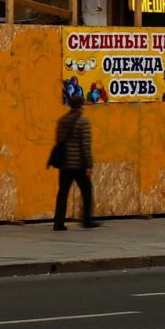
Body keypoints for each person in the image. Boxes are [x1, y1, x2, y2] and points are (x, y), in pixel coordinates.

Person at [50, 91, 97, 230]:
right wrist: (89, 165)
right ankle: (86, 220)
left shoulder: (62, 121)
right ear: (81, 106)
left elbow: (59, 141)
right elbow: (85, 145)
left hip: (64, 164)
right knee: (87, 191)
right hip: (79, 165)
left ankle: (58, 223)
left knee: (63, 193)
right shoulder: (83, 122)